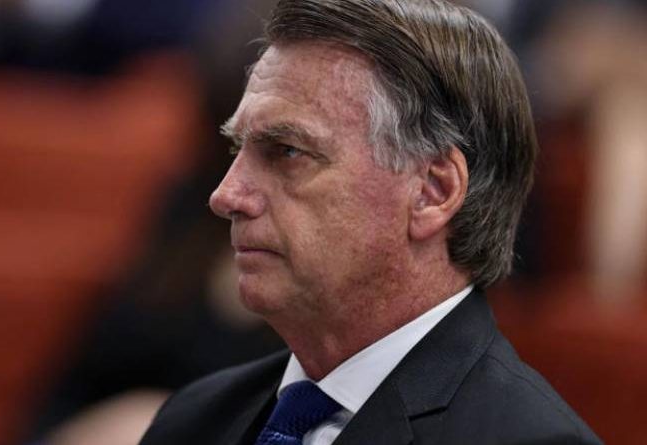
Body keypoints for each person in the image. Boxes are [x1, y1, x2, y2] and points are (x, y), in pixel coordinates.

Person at [140, 0, 601, 443]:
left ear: (433, 191)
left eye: (288, 152)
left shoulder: (530, 439)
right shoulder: (193, 419)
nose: (226, 196)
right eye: (235, 149)